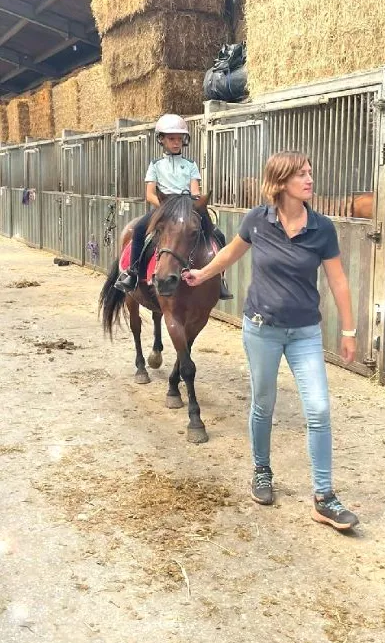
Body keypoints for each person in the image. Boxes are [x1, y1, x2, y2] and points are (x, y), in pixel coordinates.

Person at [183, 150, 359, 531]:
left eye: (310, 173)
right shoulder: (257, 221)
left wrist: (348, 330)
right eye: (301, 175)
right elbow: (231, 252)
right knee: (263, 403)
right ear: (280, 183)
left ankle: (324, 497)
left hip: (305, 334)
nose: (310, 180)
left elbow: (338, 280)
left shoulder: (321, 228)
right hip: (261, 329)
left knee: (319, 409)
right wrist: (202, 273)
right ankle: (262, 472)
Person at [114, 113, 233, 300]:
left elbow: (195, 191)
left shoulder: (190, 164)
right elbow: (150, 194)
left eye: (179, 139)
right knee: (137, 231)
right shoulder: (155, 165)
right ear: (161, 139)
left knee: (218, 234)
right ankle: (133, 273)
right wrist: (165, 207)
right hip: (163, 209)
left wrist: (193, 204)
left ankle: (221, 279)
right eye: (171, 139)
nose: (176, 143)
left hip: (186, 208)